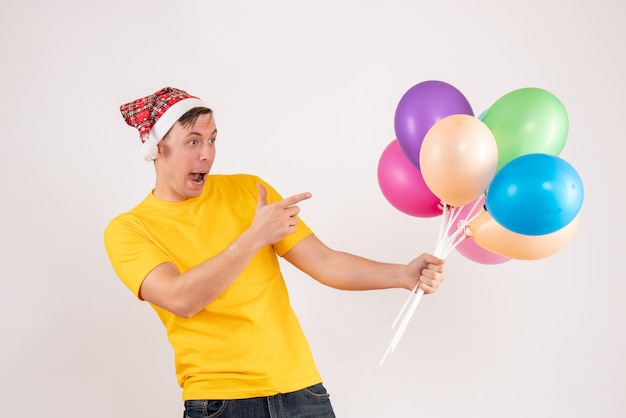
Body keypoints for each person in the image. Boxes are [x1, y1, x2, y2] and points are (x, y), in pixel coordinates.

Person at [104, 87, 446, 418]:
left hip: (303, 392)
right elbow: (182, 299)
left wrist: (402, 275)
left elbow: (324, 262)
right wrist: (254, 237)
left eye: (212, 140)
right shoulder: (130, 230)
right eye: (193, 141)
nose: (206, 154)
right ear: (157, 149)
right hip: (220, 402)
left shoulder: (249, 191)